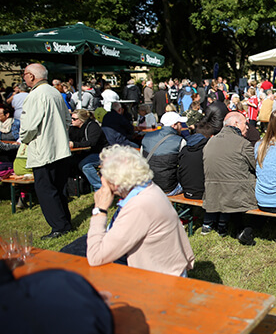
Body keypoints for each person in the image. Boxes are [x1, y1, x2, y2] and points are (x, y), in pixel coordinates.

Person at [86, 145, 194, 276]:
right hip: (168, 269)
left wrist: (99, 210)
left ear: (115, 182)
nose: (101, 179)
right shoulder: (149, 187)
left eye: (101, 174)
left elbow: (96, 257)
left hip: (158, 282)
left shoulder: (139, 206)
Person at [19, 63, 73, 239]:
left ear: (32, 76)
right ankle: (65, 222)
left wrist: (24, 139)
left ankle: (59, 227)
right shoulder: (55, 92)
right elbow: (67, 119)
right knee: (59, 188)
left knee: (46, 189)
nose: (24, 77)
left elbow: (28, 127)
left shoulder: (36, 95)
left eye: (25, 74)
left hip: (44, 150)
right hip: (59, 148)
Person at [202, 112, 257, 244]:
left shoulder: (210, 141)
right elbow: (257, 167)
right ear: (236, 123)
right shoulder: (243, 143)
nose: (248, 127)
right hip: (237, 195)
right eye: (245, 123)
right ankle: (247, 230)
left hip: (213, 194)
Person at [141, 111, 187, 195]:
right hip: (168, 188)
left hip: (147, 184)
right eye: (180, 124)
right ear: (174, 125)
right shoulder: (180, 141)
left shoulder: (147, 136)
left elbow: (141, 159)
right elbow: (184, 167)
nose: (181, 126)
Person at [68, 109, 110, 191]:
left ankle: (100, 187)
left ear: (81, 120)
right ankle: (77, 188)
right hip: (87, 153)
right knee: (68, 162)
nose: (71, 121)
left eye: (74, 119)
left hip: (102, 153)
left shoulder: (93, 126)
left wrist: (75, 144)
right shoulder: (74, 128)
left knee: (85, 165)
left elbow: (91, 143)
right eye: (71, 118)